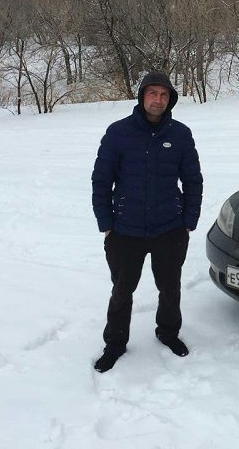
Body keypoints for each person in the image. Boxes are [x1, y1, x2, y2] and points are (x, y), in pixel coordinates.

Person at [91, 72, 203, 373]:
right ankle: (115, 343)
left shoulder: (180, 134)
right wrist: (106, 221)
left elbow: (193, 180)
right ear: (142, 96)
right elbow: (101, 180)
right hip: (125, 229)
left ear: (170, 100)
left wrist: (189, 219)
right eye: (152, 93)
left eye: (164, 95)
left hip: (170, 227)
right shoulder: (118, 132)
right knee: (122, 290)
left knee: (170, 288)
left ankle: (168, 332)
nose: (158, 100)